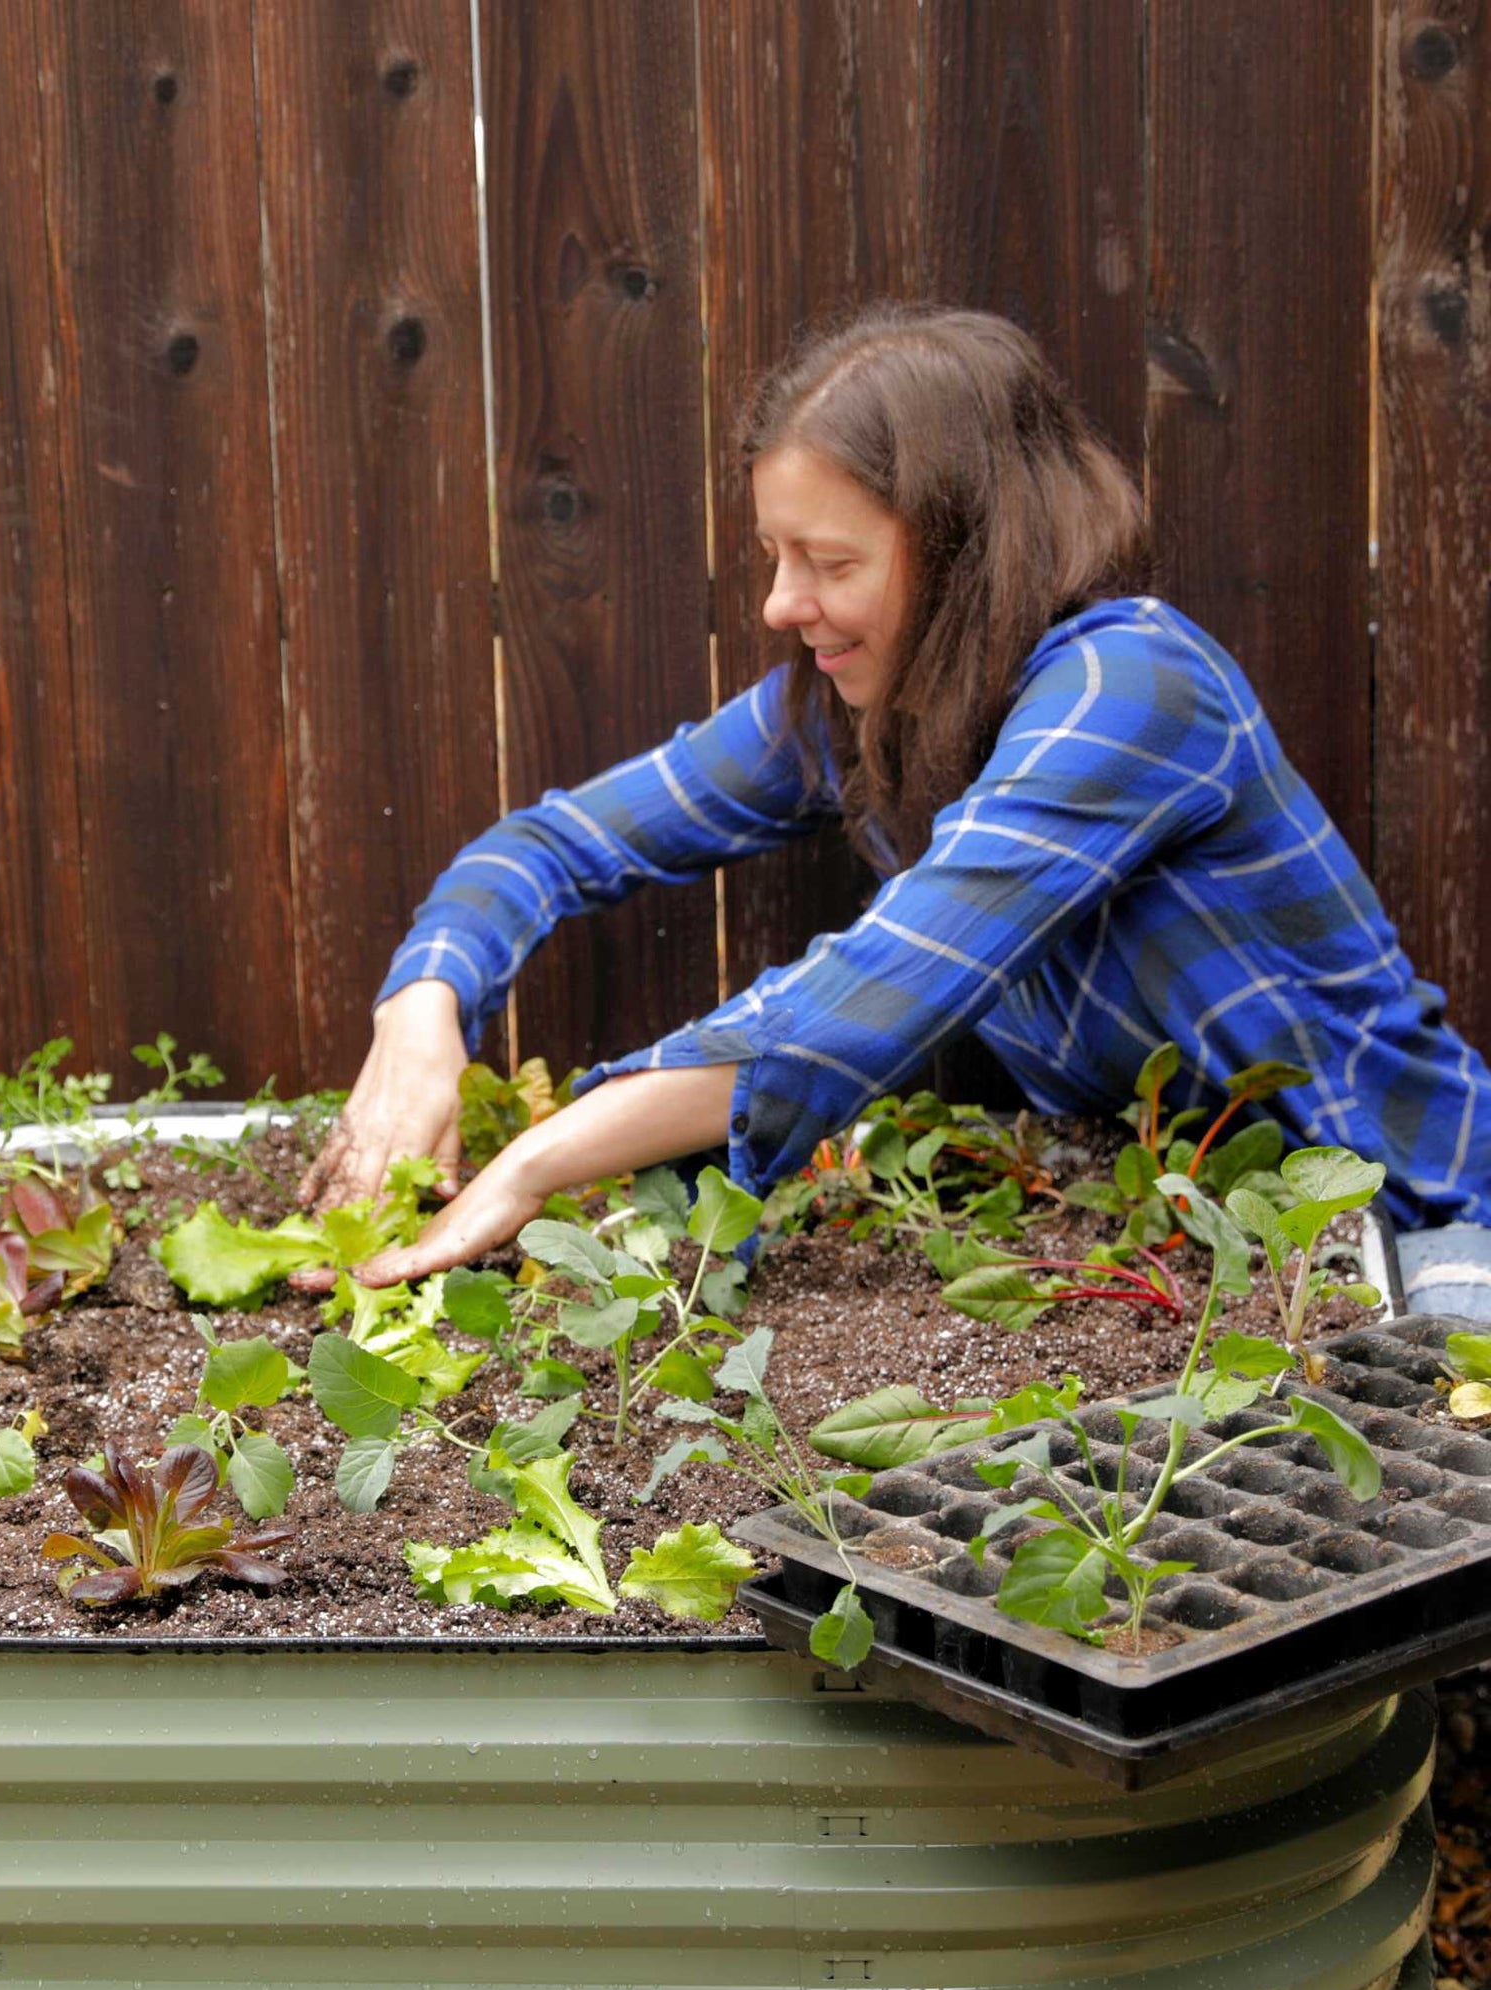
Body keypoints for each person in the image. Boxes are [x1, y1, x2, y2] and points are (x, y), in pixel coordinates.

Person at [300, 303, 1491, 1320]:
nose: (779, 603)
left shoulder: (1132, 688)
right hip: (1216, 1251)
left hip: (1417, 1239)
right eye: (773, 555)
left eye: (826, 561)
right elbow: (551, 843)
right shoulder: (860, 710)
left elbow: (870, 992)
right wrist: (422, 1012)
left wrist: (535, 1166)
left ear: (966, 551)